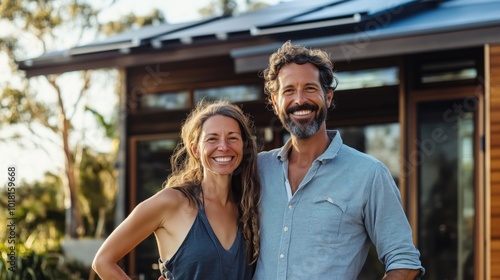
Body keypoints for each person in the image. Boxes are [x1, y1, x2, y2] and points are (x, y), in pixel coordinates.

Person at [253, 41, 424, 279]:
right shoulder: (258, 169)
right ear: (275, 101)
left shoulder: (368, 174)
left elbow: (404, 261)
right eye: (289, 90)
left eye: (310, 88)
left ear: (329, 96)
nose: (300, 99)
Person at [93, 100, 261, 280]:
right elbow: (103, 261)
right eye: (212, 138)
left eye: (232, 137)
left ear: (243, 146)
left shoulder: (248, 206)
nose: (224, 147)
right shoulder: (171, 202)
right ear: (195, 149)